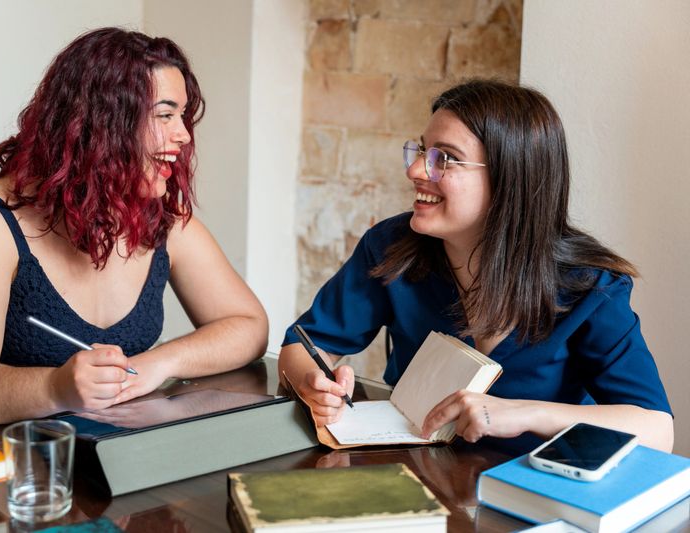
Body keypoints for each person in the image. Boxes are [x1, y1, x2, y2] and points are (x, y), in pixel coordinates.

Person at [279, 79, 674, 453]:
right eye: (422, 151)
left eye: (445, 158)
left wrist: (526, 413)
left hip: (531, 487)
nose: (415, 170)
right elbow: (303, 345)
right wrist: (314, 385)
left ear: (510, 178)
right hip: (416, 470)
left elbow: (657, 429)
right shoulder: (391, 247)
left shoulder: (591, 286)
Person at [0, 27, 268, 431]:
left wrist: (158, 364)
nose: (182, 135)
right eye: (165, 115)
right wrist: (55, 388)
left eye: (181, 116)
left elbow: (248, 325)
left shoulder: (160, 216)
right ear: (101, 123)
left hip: (86, 451)